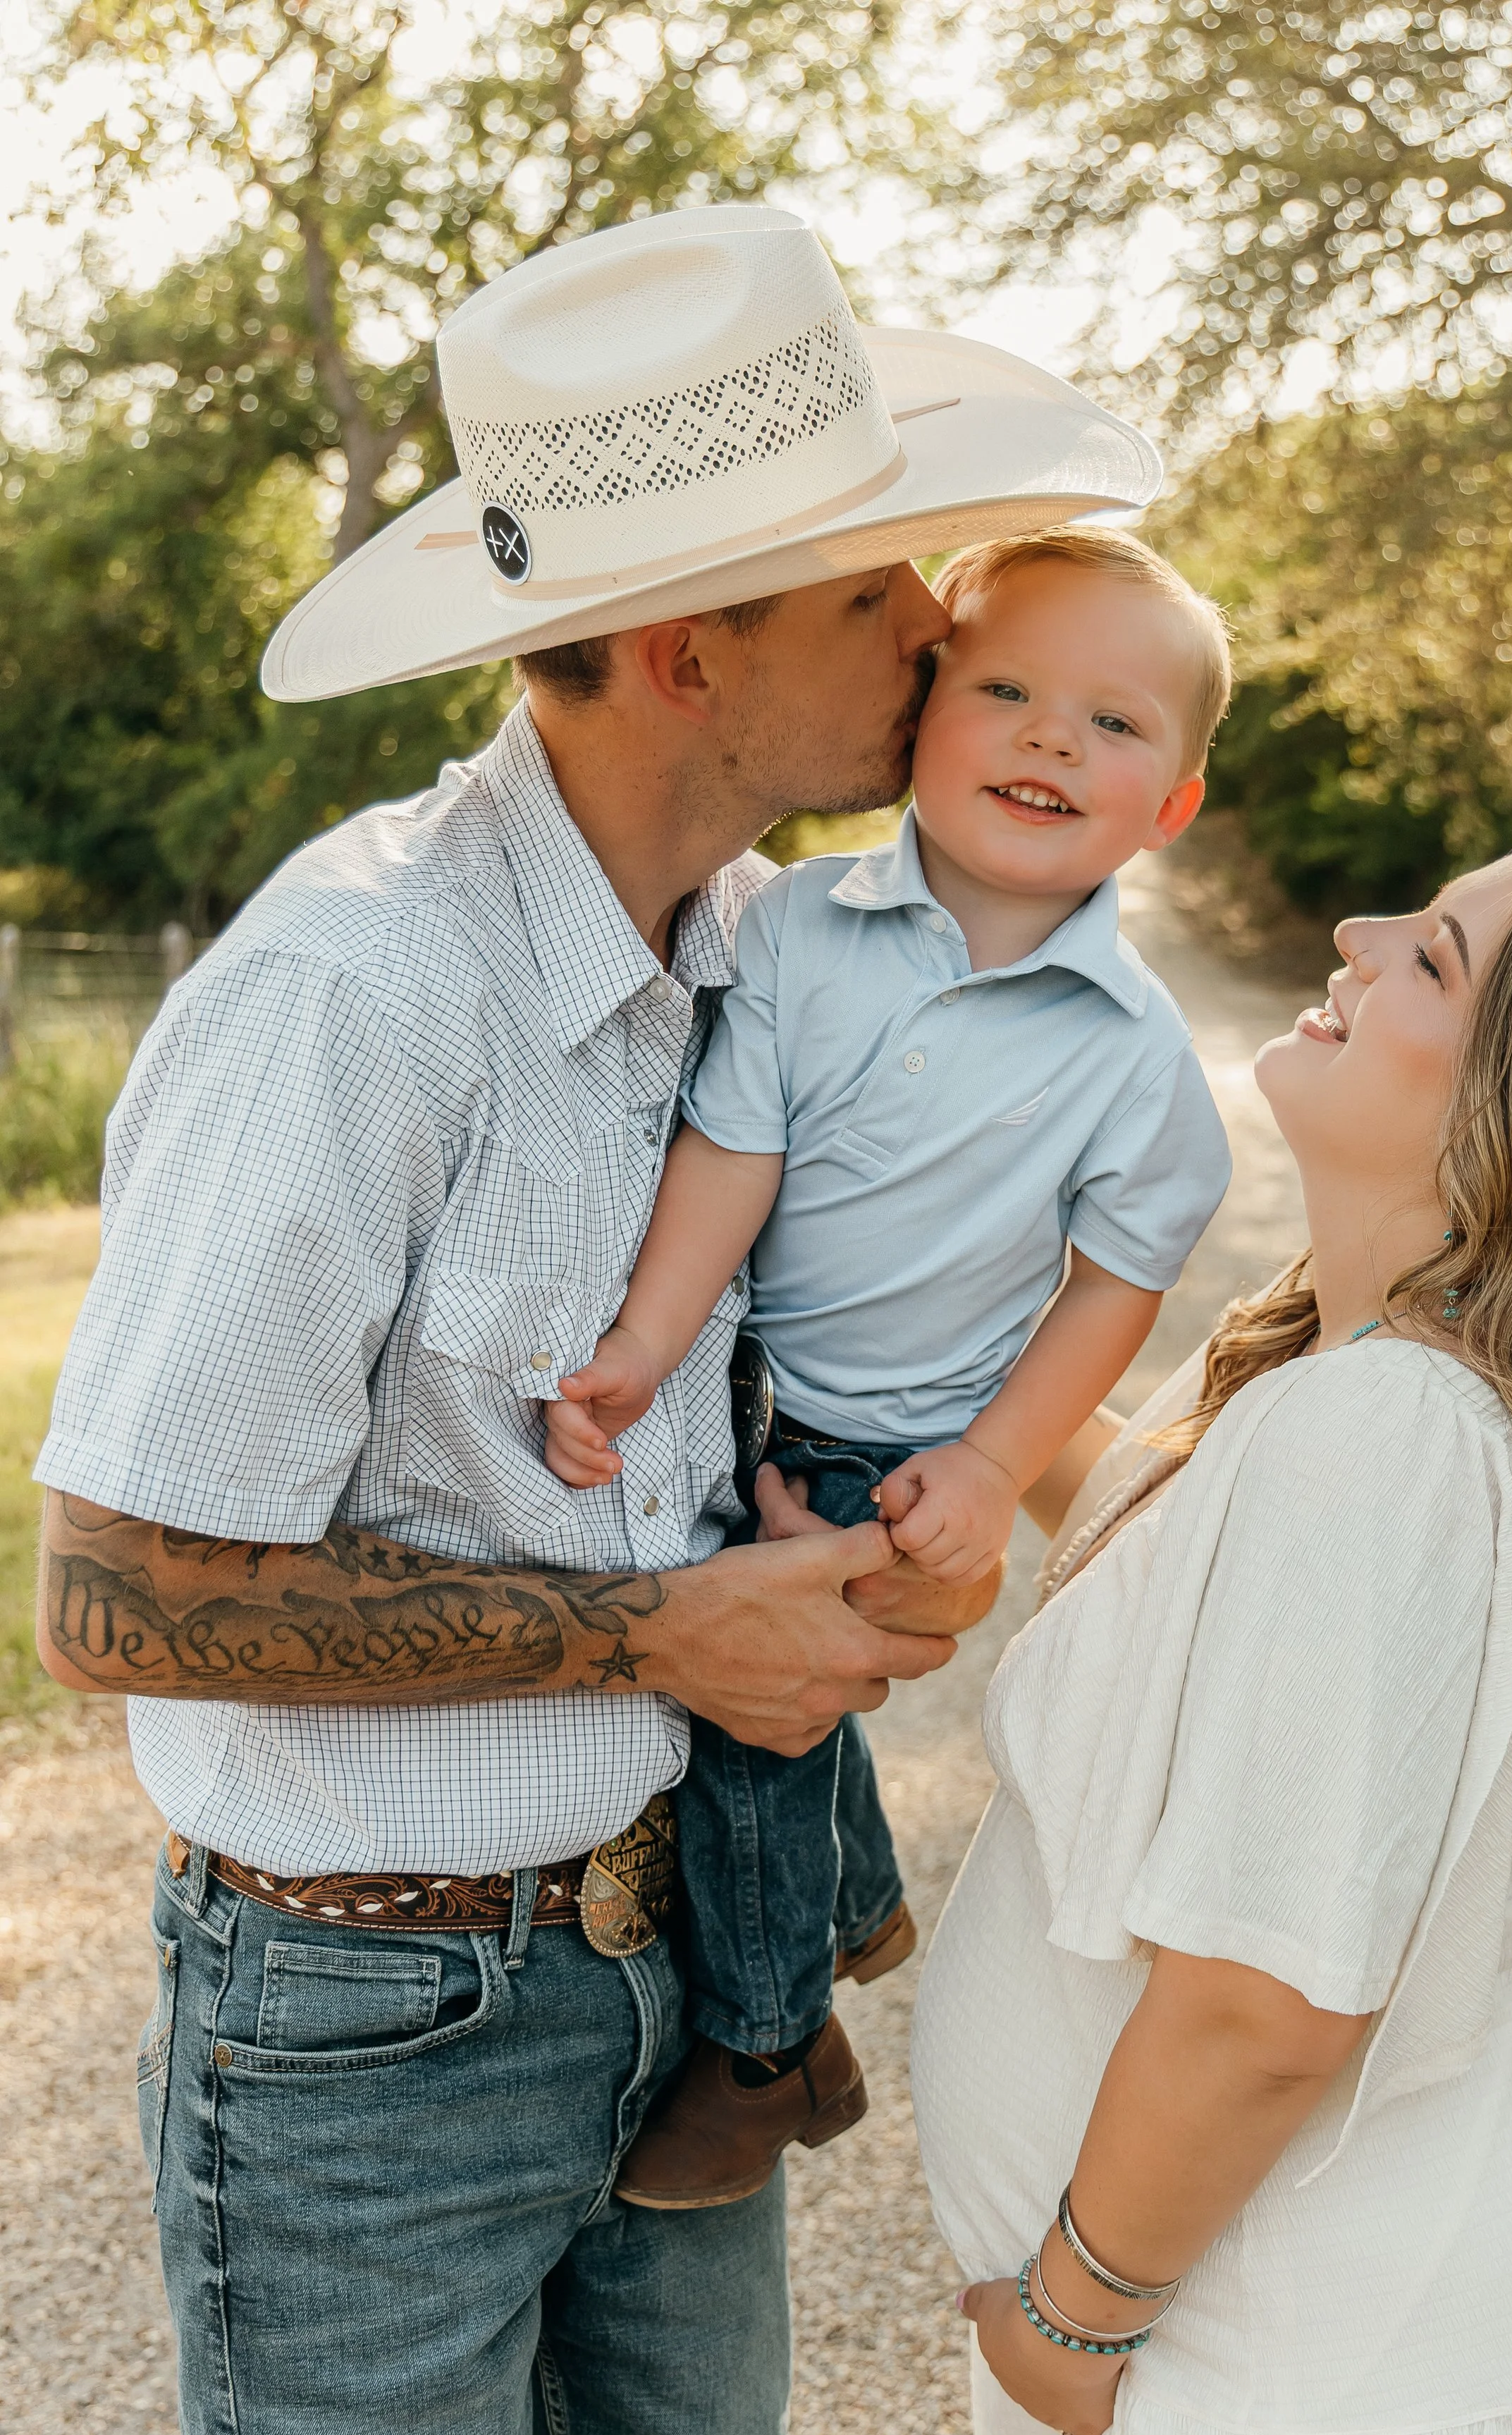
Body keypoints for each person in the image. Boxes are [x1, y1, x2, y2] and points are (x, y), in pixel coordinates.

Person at [31, 204, 1163, 2435]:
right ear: (684, 651)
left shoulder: (769, 952)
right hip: (357, 2043)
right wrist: (671, 1634)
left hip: (677, 1991)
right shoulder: (354, 998)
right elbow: (117, 1600)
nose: (946, 631)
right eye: (883, 594)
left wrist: (905, 1539)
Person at [910, 811, 1512, 2435]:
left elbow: (1264, 2001)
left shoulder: (1381, 1444)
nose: (1360, 922)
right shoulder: (1359, 1373)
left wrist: (1071, 2316)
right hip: (1413, 2332)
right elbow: (1170, 1552)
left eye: (1434, 954)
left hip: (1337, 2397)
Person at [545, 526, 1233, 2209]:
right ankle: (851, 1904)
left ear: (1172, 807)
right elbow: (731, 1152)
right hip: (748, 1387)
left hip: (910, 1443)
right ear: (921, 715)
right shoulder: (796, 933)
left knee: (746, 1738)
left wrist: (997, 1467)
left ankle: (767, 2050)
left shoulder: (1134, 1057)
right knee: (739, 1663)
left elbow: (1111, 1290)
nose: (1048, 738)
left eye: (1111, 724)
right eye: (1001, 689)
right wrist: (643, 1341)